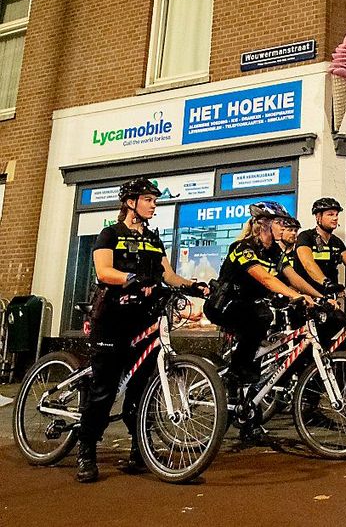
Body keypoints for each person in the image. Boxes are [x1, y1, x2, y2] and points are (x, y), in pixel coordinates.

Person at [77, 178, 209, 483]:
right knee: (105, 390)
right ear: (131, 202)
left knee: (139, 390)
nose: (153, 205)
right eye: (148, 199)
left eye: (154, 200)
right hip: (111, 317)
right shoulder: (110, 234)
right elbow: (103, 271)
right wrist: (131, 278)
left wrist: (193, 286)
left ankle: (140, 450)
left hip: (143, 320)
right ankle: (86, 450)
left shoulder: (153, 238)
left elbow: (169, 275)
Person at [213, 201, 317, 441]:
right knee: (259, 321)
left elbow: (293, 277)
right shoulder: (243, 247)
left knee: (259, 355)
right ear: (264, 224)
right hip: (226, 305)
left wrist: (320, 297)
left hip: (252, 308)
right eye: (280, 223)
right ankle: (235, 374)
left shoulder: (275, 252)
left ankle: (249, 418)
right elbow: (265, 279)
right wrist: (294, 295)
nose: (285, 227)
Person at [293, 197, 346, 328]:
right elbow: (308, 264)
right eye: (330, 214)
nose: (335, 218)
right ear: (318, 217)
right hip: (308, 299)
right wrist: (326, 282)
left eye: (337, 214)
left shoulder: (336, 242)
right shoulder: (306, 237)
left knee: (340, 329)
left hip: (329, 300)